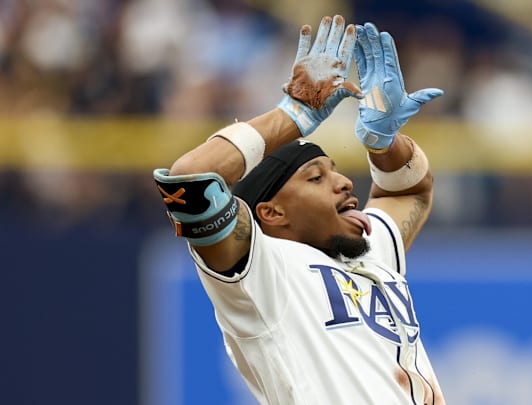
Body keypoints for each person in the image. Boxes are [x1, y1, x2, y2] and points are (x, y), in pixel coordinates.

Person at [153, 15, 445, 404]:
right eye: (315, 178)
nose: (343, 184)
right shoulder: (261, 270)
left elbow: (410, 190)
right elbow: (190, 179)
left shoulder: (369, 251)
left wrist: (384, 143)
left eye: (335, 173)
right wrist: (296, 114)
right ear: (272, 213)